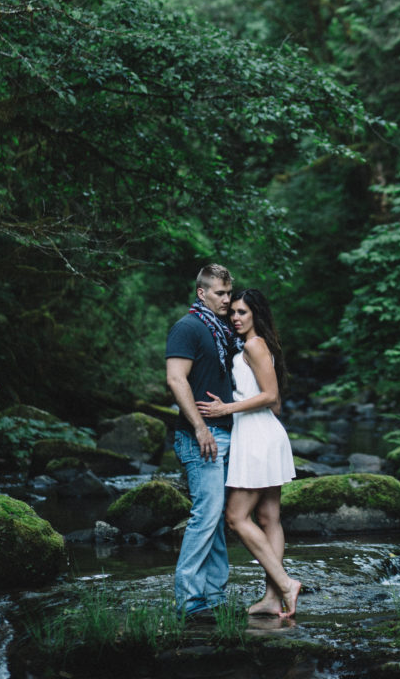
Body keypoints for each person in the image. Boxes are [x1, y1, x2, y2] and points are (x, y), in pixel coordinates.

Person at [196, 288, 301, 618]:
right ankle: (272, 598)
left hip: (257, 437)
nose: (236, 318)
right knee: (269, 518)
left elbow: (271, 396)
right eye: (233, 313)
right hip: (262, 434)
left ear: (256, 313)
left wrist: (227, 407)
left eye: (243, 312)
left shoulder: (255, 345)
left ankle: (285, 584)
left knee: (236, 517)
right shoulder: (254, 346)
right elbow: (277, 402)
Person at [165, 264, 235, 617]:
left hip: (225, 434)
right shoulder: (187, 327)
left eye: (228, 292)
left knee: (217, 517)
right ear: (201, 293)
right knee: (205, 516)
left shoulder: (223, 330)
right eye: (219, 293)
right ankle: (190, 603)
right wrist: (200, 427)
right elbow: (177, 380)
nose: (226, 299)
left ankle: (214, 598)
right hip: (200, 437)